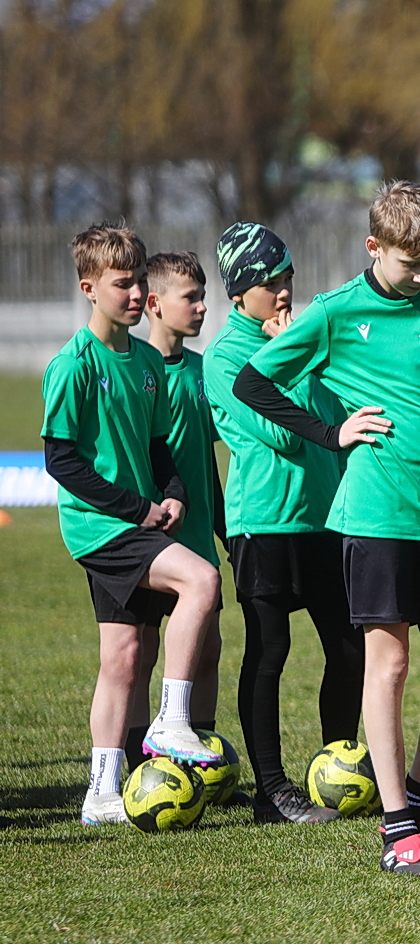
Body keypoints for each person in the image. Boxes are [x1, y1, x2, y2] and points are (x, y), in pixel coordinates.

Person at [234, 180, 420, 876]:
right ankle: (397, 832)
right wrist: (332, 434)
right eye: (408, 263)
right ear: (373, 246)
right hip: (375, 516)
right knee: (388, 668)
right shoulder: (333, 313)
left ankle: (417, 805)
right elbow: (253, 384)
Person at [40, 224, 224, 826]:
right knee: (200, 581)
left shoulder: (146, 361)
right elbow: (60, 460)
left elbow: (158, 446)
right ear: (89, 288)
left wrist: (170, 494)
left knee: (122, 657)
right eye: (123, 284)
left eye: (140, 281)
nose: (136, 293)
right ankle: (172, 723)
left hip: (139, 520)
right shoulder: (72, 365)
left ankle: (100, 792)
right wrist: (137, 509)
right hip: (102, 527)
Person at [203, 223, 365, 824]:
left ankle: (337, 768)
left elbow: (338, 411)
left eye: (287, 278)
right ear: (241, 292)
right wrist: (293, 355)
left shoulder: (298, 339)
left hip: (323, 517)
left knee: (350, 649)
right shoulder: (224, 358)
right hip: (264, 523)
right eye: (270, 282)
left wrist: (301, 355)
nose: (283, 291)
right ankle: (271, 792)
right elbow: (282, 433)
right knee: (270, 651)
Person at [128, 251, 228, 773]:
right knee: (142, 654)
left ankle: (198, 760)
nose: (202, 306)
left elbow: (205, 463)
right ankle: (140, 760)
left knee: (207, 651)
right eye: (190, 297)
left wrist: (223, 529)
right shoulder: (140, 373)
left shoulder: (202, 371)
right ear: (154, 304)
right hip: (149, 537)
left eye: (202, 295)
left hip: (198, 540)